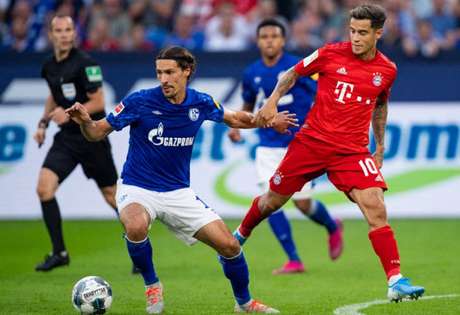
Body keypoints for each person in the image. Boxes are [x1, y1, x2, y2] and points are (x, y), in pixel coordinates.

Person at [65, 46, 297, 314]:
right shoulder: (139, 101)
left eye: (170, 72)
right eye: (159, 73)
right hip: (138, 187)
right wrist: (84, 121)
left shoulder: (200, 102)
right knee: (136, 226)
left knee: (230, 246)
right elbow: (95, 133)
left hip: (178, 193)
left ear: (186, 72)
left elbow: (236, 118)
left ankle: (244, 303)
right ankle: (152, 286)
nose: (163, 79)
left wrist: (266, 122)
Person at [233, 4, 425, 302]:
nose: (356, 38)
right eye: (352, 31)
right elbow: (291, 74)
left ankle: (395, 280)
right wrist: (271, 102)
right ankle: (239, 236)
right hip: (311, 143)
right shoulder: (329, 53)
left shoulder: (387, 70)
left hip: (351, 151)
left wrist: (380, 146)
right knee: (272, 201)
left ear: (378, 33)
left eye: (363, 33)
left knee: (375, 204)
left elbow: (380, 106)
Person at [228, 18, 343, 275]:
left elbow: (322, 93)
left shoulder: (299, 68)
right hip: (267, 146)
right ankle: (294, 259)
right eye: (264, 36)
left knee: (303, 204)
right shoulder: (251, 72)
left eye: (274, 36)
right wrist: (236, 126)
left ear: (283, 40)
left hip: (300, 145)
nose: (269, 40)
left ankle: (333, 226)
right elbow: (248, 104)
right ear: (258, 41)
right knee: (268, 200)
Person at [34, 15, 118, 272]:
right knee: (44, 189)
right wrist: (43, 123)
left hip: (91, 136)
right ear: (51, 34)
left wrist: (68, 112)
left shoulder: (86, 63)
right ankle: (59, 252)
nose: (64, 35)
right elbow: (53, 93)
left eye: (68, 30)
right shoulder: (49, 66)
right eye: (58, 30)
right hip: (67, 140)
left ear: (74, 33)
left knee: (112, 196)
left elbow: (99, 103)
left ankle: (139, 246)